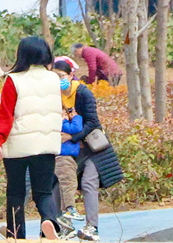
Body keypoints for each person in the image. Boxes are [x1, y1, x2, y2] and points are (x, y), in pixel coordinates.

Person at [0, 36, 62, 240]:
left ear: (22, 55)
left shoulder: (14, 79)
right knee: (43, 192)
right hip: (46, 145)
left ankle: (16, 234)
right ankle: (49, 221)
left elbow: (6, 113)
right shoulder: (53, 79)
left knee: (16, 193)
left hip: (18, 144)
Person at [53, 60, 122, 241]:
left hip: (91, 149)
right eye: (54, 76)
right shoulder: (54, 96)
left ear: (69, 75)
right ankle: (64, 227)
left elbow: (93, 123)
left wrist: (72, 137)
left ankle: (92, 227)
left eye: (61, 76)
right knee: (59, 182)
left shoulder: (83, 93)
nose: (58, 80)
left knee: (89, 182)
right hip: (68, 150)